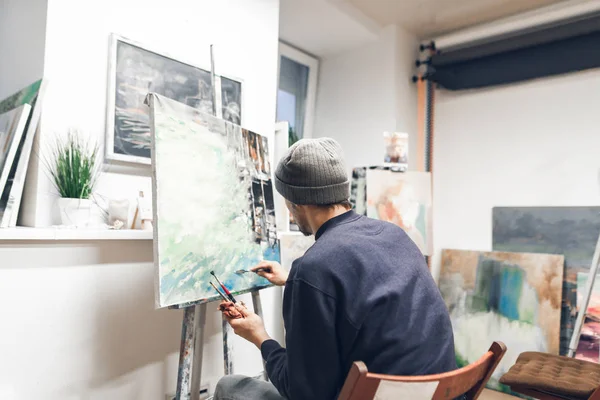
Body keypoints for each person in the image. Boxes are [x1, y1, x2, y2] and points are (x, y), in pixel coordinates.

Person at [213, 138, 456, 400]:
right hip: (438, 392)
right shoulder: (394, 235)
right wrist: (293, 281)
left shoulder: (314, 268)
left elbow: (305, 393)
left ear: (297, 202)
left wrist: (261, 337)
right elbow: (366, 288)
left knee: (230, 387)